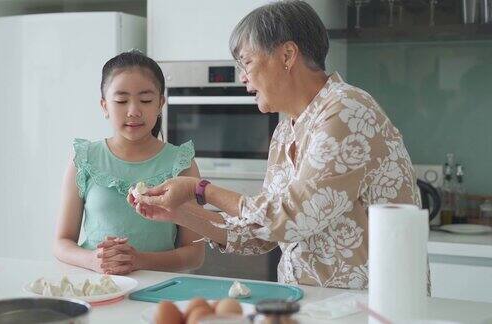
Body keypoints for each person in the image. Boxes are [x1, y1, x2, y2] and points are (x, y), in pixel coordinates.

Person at [130, 0, 421, 289]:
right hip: (312, 303)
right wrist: (179, 213)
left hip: (370, 305)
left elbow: (293, 216)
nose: (243, 77)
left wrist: (201, 189)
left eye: (247, 62)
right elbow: (262, 233)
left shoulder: (347, 110)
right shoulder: (286, 131)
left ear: (287, 55)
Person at [54, 51, 205, 275]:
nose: (134, 111)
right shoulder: (83, 157)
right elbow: (61, 242)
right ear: (104, 106)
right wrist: (93, 260)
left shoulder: (180, 162)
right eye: (121, 101)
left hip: (160, 290)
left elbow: (195, 254)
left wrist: (139, 260)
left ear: (160, 104)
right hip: (96, 286)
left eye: (145, 100)